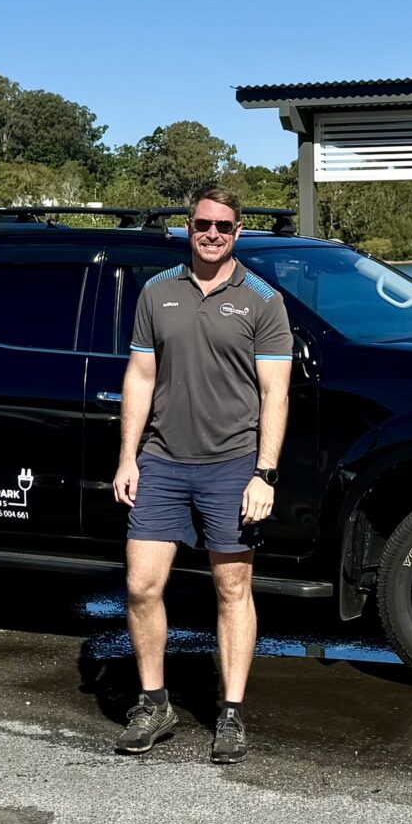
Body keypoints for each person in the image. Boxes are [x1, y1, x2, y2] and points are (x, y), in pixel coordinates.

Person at [111, 185, 294, 764]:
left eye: (223, 226)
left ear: (238, 232)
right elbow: (140, 377)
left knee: (232, 589)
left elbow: (275, 393)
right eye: (202, 224)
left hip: (232, 465)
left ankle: (231, 713)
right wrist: (128, 457)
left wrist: (264, 474)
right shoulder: (157, 292)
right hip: (162, 462)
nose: (212, 234)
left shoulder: (263, 300)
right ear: (188, 227)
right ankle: (154, 703)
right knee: (141, 586)